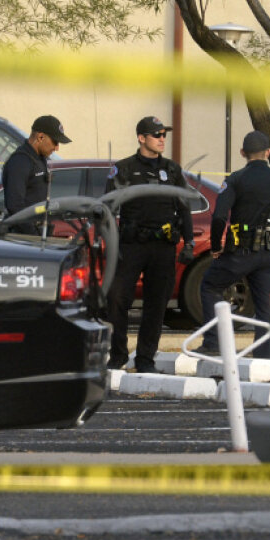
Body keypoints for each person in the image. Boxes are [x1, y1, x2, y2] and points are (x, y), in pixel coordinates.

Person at [196, 130, 270, 359]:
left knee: (210, 286)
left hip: (240, 253)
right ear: (268, 152)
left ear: (243, 153)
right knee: (265, 306)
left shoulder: (235, 179)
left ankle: (213, 342)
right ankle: (264, 355)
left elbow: (220, 216)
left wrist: (215, 246)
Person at [105, 116, 194, 374]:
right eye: (157, 135)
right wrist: (110, 242)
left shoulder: (173, 170)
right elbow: (108, 208)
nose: (162, 139)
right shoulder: (122, 169)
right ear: (141, 138)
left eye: (164, 135)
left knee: (156, 305)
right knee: (118, 300)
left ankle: (145, 358)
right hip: (131, 245)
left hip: (163, 247)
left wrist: (188, 241)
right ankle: (118, 354)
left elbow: (184, 206)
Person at [0, 115, 72, 235]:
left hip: (38, 234)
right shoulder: (20, 161)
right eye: (55, 141)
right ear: (40, 137)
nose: (57, 148)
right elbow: (15, 206)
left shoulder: (39, 159)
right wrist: (33, 234)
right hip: (23, 238)